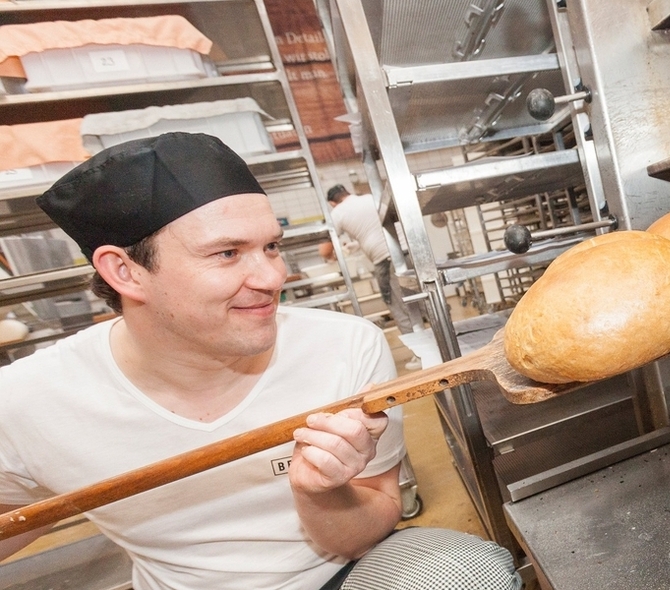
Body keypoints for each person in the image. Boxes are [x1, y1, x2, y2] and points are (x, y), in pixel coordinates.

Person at [0, 133, 520, 590]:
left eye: (271, 246)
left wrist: (320, 494)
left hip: (339, 572)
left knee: (464, 571)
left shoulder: (345, 348)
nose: (273, 277)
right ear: (125, 272)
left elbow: (373, 521)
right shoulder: (29, 402)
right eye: (227, 253)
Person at [323, 184, 426, 371]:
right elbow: (375, 229)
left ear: (332, 203)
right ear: (347, 193)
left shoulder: (337, 213)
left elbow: (325, 249)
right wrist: (357, 244)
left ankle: (422, 355)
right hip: (410, 253)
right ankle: (446, 343)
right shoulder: (371, 198)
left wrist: (330, 256)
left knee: (400, 308)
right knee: (424, 299)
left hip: (387, 261)